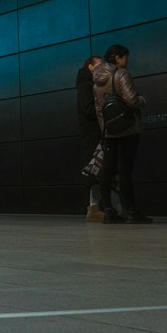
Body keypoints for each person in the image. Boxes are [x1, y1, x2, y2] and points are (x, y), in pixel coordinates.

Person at [92, 44, 151, 223]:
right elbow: (132, 100)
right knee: (125, 171)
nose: (127, 61)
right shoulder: (121, 74)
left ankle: (109, 211)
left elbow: (98, 109)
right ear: (117, 57)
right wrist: (142, 100)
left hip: (109, 131)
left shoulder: (97, 80)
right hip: (127, 129)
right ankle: (131, 212)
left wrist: (105, 129)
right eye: (125, 57)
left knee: (107, 170)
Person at [76, 55, 105, 222]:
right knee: (97, 170)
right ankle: (94, 208)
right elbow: (88, 108)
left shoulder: (88, 83)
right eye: (99, 65)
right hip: (93, 133)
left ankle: (96, 208)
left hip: (94, 133)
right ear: (90, 67)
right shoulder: (86, 85)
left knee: (98, 170)